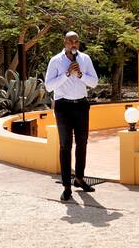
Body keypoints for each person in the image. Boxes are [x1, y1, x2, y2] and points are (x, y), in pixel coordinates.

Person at [44, 31, 99, 202]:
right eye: (70, 41)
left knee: (82, 143)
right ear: (65, 42)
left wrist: (80, 75)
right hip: (63, 107)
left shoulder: (85, 59)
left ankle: (79, 178)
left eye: (76, 41)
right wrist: (67, 74)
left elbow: (94, 82)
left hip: (81, 105)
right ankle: (67, 186)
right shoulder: (55, 61)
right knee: (65, 145)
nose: (73, 44)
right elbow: (48, 86)